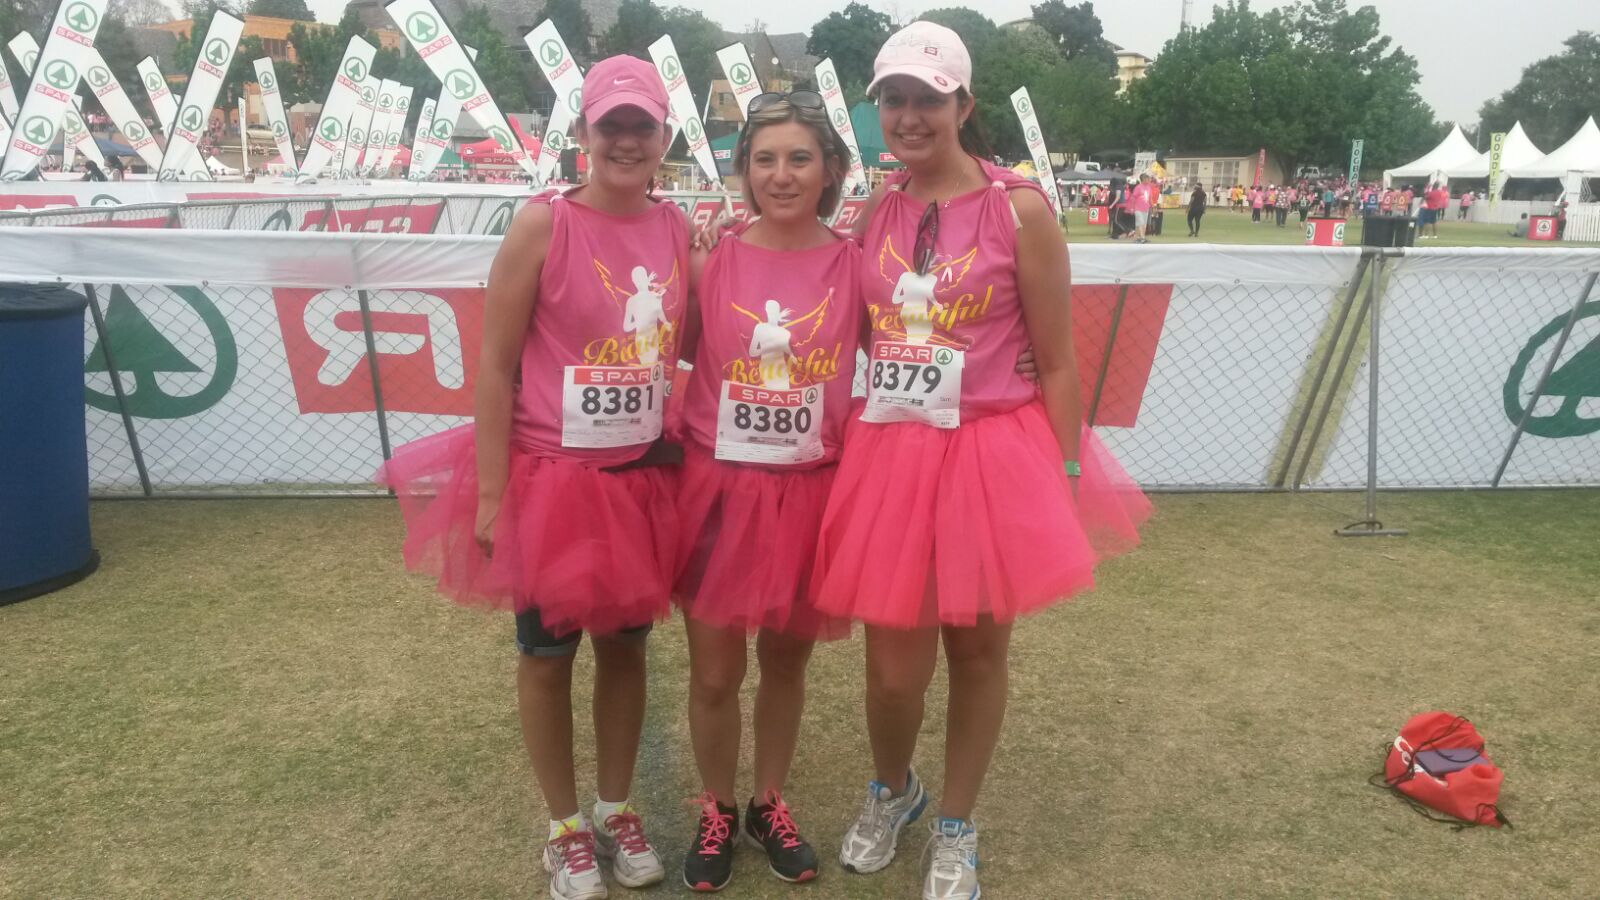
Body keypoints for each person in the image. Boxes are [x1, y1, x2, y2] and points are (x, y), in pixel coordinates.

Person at [815, 22, 1149, 900]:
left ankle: (957, 824)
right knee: (892, 673)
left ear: (964, 105)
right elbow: (858, 329)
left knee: (976, 654)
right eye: (894, 99)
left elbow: (1060, 361)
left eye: (928, 99)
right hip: (892, 455)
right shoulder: (876, 210)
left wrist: (1065, 475)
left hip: (991, 455)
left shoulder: (1019, 208)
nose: (909, 116)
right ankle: (895, 790)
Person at [377, 56, 684, 900]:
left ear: (664, 137)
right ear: (583, 132)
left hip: (638, 481)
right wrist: (492, 491)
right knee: (547, 656)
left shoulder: (676, 228)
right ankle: (565, 830)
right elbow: (495, 367)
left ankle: (616, 808)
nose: (626, 141)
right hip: (552, 480)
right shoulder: (543, 224)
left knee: (626, 650)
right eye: (611, 125)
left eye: (642, 125)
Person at [672, 90, 856, 893]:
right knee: (715, 672)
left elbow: (918, 341)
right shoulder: (709, 260)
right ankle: (715, 807)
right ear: (744, 170)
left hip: (810, 492)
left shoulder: (856, 265)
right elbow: (653, 345)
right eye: (765, 159)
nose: (781, 175)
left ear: (830, 169)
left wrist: (1014, 357)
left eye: (799, 158)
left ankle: (767, 802)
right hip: (717, 491)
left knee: (785, 662)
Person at [1128, 172, 1154, 243]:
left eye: (1148, 179)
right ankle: (1143, 237)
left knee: (1142, 224)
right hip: (1138, 208)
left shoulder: (1149, 188)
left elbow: (1150, 198)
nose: (1148, 180)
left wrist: (1153, 206)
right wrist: (1132, 208)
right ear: (1143, 179)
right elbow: (1133, 198)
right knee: (1141, 223)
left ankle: (1136, 237)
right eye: (1147, 179)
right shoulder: (1138, 187)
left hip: (1146, 208)